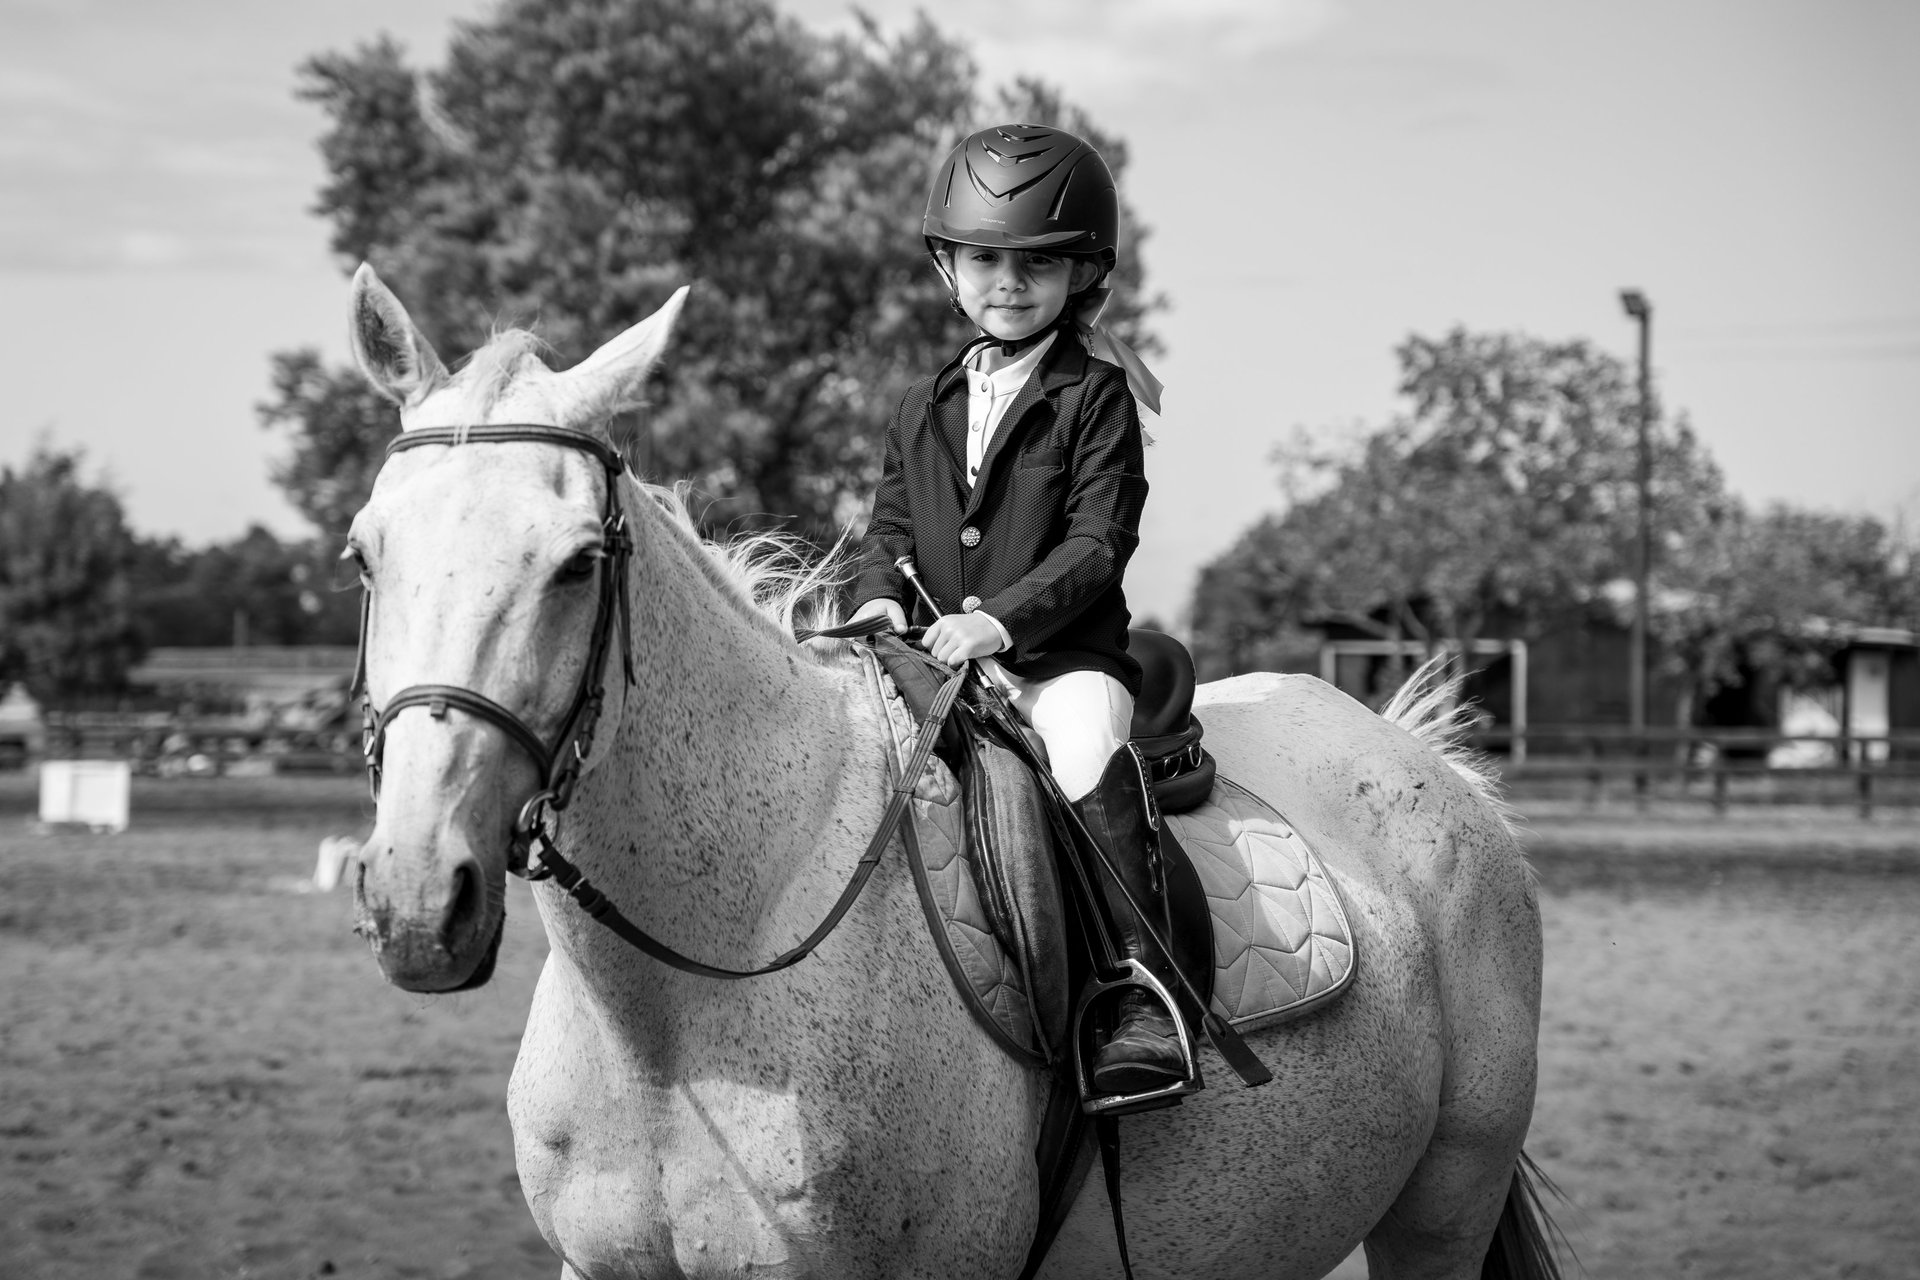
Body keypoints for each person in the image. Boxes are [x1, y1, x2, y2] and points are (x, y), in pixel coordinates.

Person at [850, 123, 1182, 1095]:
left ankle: (1139, 993)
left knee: (1082, 756)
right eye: (986, 257)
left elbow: (1097, 542)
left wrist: (999, 621)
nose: (1009, 280)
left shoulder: (1097, 395)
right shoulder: (921, 401)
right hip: (930, 658)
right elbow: (888, 528)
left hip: (1060, 662)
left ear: (1083, 273)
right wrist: (874, 602)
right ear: (947, 266)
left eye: (1038, 262)